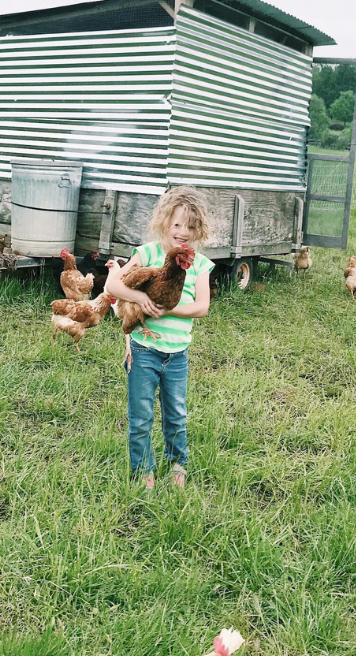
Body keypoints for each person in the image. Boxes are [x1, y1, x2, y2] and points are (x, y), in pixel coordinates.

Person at [105, 186, 213, 489]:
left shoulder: (198, 263)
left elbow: (202, 307)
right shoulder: (148, 252)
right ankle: (142, 471)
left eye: (191, 226)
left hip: (177, 355)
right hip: (143, 350)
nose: (183, 232)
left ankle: (178, 462)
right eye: (177, 224)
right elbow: (113, 285)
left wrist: (168, 310)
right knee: (140, 416)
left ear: (199, 230)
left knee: (176, 414)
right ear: (164, 221)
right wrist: (139, 300)